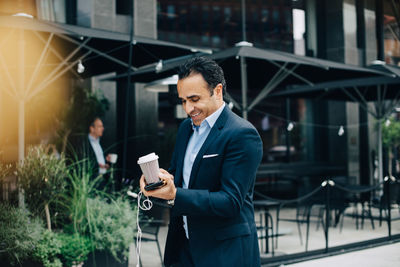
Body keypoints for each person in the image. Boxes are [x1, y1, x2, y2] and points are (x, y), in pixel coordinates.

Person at [140, 57, 263, 267]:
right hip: (184, 249)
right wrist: (159, 183)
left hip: (225, 254)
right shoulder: (185, 129)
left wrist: (175, 194)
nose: (188, 109)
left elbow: (231, 202)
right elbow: (176, 178)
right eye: (183, 100)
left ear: (217, 91)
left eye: (194, 99)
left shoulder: (242, 134)